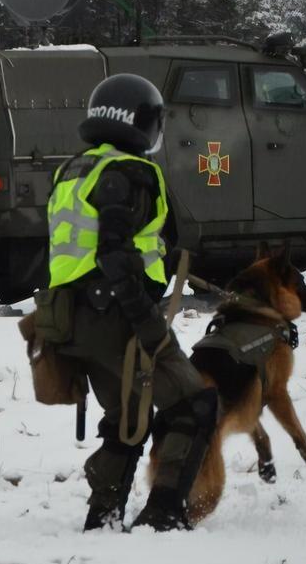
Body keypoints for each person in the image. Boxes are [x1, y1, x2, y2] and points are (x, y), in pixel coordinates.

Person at [43, 74, 215, 533]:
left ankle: (103, 514)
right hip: (116, 315)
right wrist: (146, 322)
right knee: (194, 404)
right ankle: (163, 514)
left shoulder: (76, 169)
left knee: (126, 416)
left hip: (71, 319)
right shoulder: (129, 173)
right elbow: (114, 255)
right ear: (138, 121)